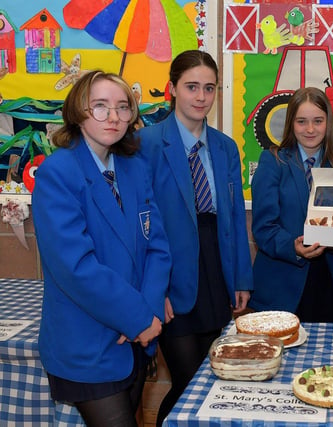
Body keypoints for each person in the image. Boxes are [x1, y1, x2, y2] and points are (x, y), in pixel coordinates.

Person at [32, 70, 171, 427]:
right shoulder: (58, 173)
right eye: (100, 107)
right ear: (79, 111)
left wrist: (149, 313)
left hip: (138, 338)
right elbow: (75, 268)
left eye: (122, 108)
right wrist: (137, 317)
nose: (113, 117)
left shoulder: (133, 168)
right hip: (88, 342)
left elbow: (157, 247)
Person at [137, 50, 253, 426]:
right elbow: (141, 229)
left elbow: (235, 217)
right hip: (172, 275)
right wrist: (156, 290)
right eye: (191, 87)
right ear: (172, 89)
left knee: (212, 382)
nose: (201, 97)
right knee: (190, 383)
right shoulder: (147, 145)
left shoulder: (224, 146)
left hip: (216, 269)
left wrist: (240, 280)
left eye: (209, 88)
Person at [250, 87, 333, 322]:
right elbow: (263, 227)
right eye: (301, 121)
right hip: (281, 285)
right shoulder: (273, 161)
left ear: (328, 122)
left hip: (326, 284)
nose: (310, 129)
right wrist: (292, 246)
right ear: (291, 123)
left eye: (318, 121)